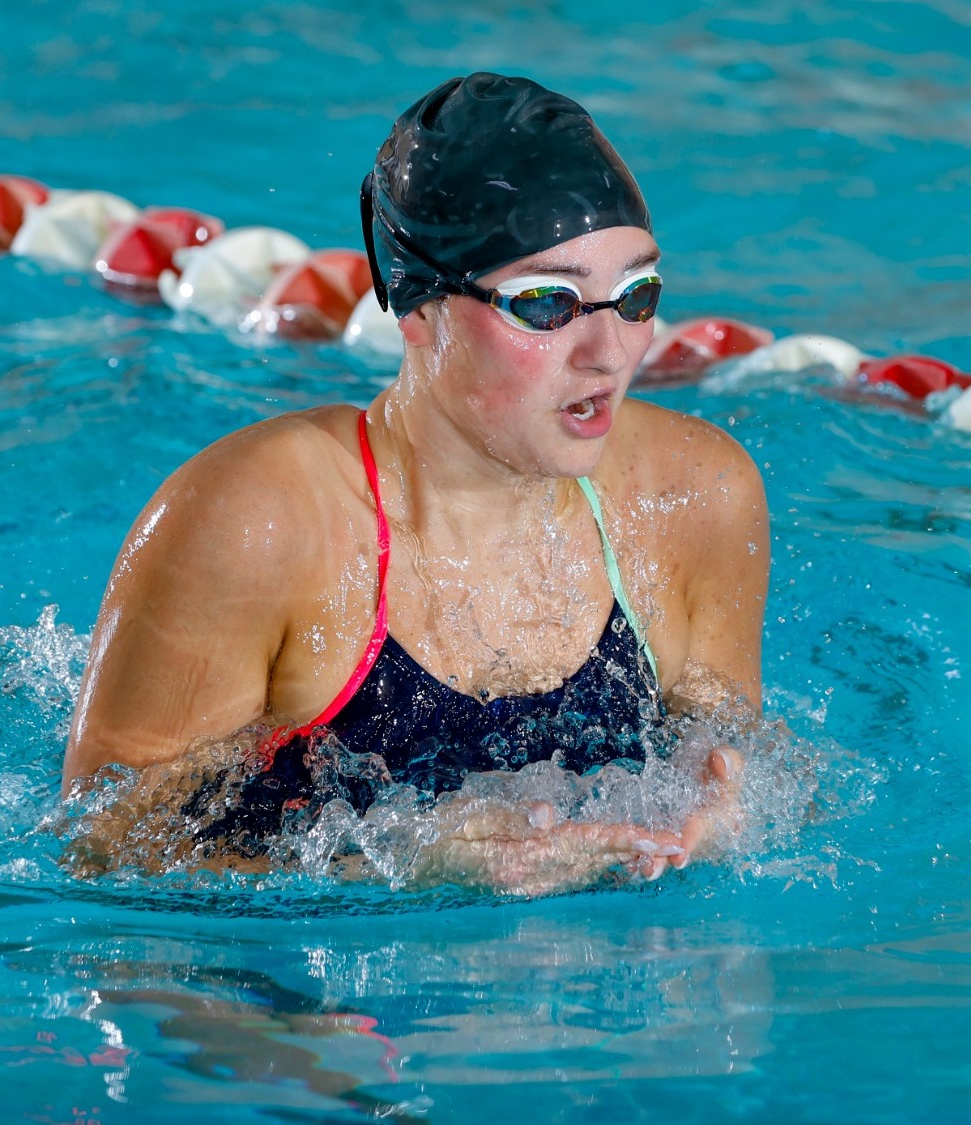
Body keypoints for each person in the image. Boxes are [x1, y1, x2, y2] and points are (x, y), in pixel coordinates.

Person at [62, 72, 769, 895]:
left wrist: (728, 798)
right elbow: (103, 849)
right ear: (417, 306)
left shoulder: (695, 496)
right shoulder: (259, 521)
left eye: (636, 294)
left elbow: (728, 736)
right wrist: (400, 867)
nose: (610, 352)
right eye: (546, 304)